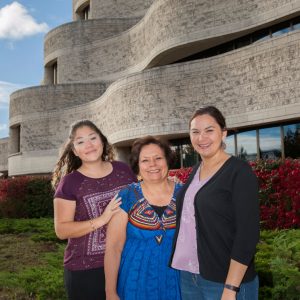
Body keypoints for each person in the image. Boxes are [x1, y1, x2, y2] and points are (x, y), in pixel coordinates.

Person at [170, 106, 260, 300]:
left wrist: (230, 288)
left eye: (209, 130)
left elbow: (248, 234)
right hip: (190, 275)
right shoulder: (196, 171)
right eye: (195, 132)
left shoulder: (239, 172)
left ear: (223, 133)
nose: (201, 138)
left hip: (225, 281)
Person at [52, 120, 136, 300]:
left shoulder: (123, 170)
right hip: (86, 271)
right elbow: (61, 230)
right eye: (80, 141)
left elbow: (138, 205)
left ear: (102, 141)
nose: (88, 145)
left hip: (126, 261)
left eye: (92, 138)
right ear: (74, 150)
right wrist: (102, 219)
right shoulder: (70, 183)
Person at [104, 136, 182, 300]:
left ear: (167, 160)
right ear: (138, 166)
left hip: (178, 280)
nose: (152, 164)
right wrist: (110, 292)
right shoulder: (126, 196)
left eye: (158, 158)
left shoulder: (184, 193)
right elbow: (114, 248)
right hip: (135, 279)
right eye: (145, 160)